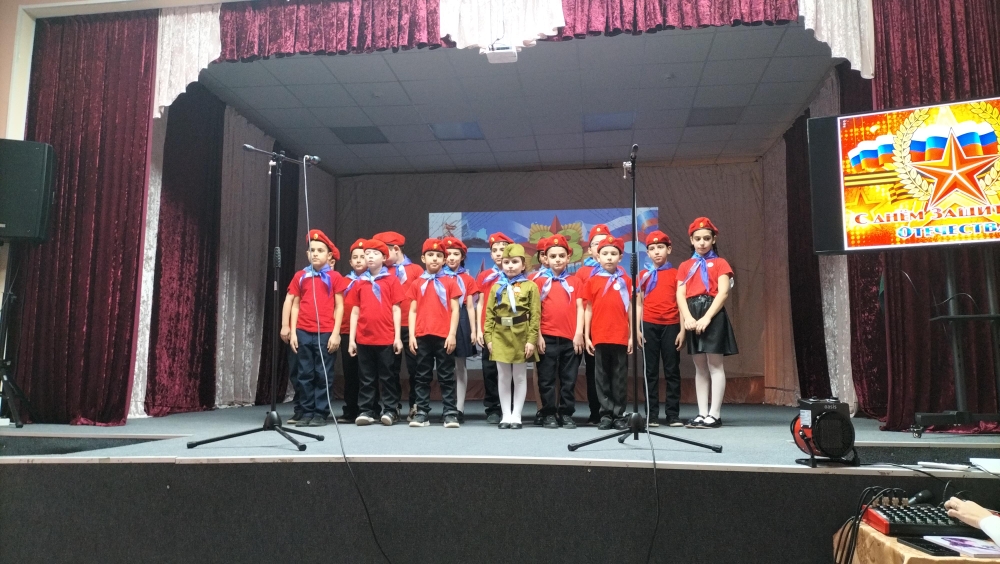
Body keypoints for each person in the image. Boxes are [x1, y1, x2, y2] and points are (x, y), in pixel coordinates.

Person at [676, 217, 738, 429]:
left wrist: (707, 317)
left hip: (712, 313)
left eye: (706, 238)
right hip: (693, 313)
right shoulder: (685, 266)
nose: (702, 242)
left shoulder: (721, 263)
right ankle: (702, 413)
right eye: (697, 239)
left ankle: (715, 414)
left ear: (713, 239)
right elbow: (680, 294)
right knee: (700, 366)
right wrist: (688, 318)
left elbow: (723, 293)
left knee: (715, 364)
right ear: (691, 240)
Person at [288, 230, 345, 427]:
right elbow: (295, 305)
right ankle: (306, 411)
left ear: (329, 256)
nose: (315, 254)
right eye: (312, 250)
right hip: (303, 331)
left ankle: (320, 412)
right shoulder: (300, 276)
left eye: (320, 250)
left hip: (326, 332)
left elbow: (340, 306)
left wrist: (336, 333)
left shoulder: (335, 277)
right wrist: (293, 331)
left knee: (323, 374)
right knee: (304, 374)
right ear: (307, 254)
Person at [347, 239, 404, 426]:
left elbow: (396, 309)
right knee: (366, 377)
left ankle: (390, 410)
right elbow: (355, 311)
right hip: (364, 338)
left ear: (384, 258)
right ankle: (367, 410)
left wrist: (397, 337)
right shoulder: (360, 282)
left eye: (375, 254)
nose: (370, 257)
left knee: (387, 376)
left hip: (386, 337)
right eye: (367, 254)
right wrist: (352, 340)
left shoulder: (391, 280)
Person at [483, 243, 540, 429]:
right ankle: (505, 414)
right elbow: (489, 314)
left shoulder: (530, 286)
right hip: (500, 334)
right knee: (503, 376)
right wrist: (488, 338)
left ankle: (517, 415)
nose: (510, 266)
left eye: (514, 262)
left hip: (521, 333)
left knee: (520, 376)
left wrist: (531, 340)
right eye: (506, 262)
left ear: (523, 265)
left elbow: (535, 315)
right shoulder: (496, 287)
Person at [407, 238, 463, 428]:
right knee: (422, 376)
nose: (434, 259)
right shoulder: (417, 283)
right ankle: (422, 412)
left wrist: (452, 334)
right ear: (423, 258)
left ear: (444, 260)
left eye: (439, 256)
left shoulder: (450, 282)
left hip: (444, 336)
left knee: (446, 375)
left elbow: (455, 310)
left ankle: (450, 412)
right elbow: (412, 311)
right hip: (422, 336)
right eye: (430, 255)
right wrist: (412, 335)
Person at [582, 234, 633, 431]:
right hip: (600, 335)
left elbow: (629, 308)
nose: (609, 257)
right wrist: (587, 335)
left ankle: (619, 414)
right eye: (605, 253)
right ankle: (605, 414)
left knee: (619, 376)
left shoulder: (626, 280)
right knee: (601, 376)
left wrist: (631, 334)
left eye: (613, 253)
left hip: (620, 334)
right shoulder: (592, 281)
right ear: (598, 257)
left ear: (620, 257)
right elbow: (588, 309)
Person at [534, 235, 584, 429]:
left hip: (570, 338)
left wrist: (578, 333)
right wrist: (538, 335)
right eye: (553, 256)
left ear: (568, 258)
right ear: (545, 258)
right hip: (546, 337)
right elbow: (534, 311)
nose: (557, 260)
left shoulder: (576, 281)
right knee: (546, 378)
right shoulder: (539, 282)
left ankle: (566, 413)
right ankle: (548, 413)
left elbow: (580, 308)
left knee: (568, 379)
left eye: (561, 256)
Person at [373, 231, 424, 422]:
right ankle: (392, 407)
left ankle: (416, 405)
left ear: (395, 249)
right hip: (388, 327)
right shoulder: (382, 272)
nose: (379, 255)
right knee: (389, 369)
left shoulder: (416, 270)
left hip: (412, 327)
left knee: (416, 368)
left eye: (382, 252)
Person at [636, 230, 684, 428]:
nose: (657, 252)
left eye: (660, 247)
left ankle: (673, 414)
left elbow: (681, 303)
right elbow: (638, 303)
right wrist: (637, 329)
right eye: (652, 248)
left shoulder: (676, 274)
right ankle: (652, 415)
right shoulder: (643, 275)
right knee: (650, 371)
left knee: (672, 370)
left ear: (669, 249)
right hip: (649, 324)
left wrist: (683, 330)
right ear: (647, 253)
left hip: (671, 325)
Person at [441, 236, 480, 423]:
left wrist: (473, 330)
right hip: (442, 316)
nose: (451, 258)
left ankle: (459, 408)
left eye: (456, 254)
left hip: (462, 318)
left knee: (460, 365)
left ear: (462, 257)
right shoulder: (438, 276)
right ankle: (447, 407)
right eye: (448, 254)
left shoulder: (468, 278)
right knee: (444, 365)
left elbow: (471, 306)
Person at [476, 232, 514, 425]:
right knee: (490, 370)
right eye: (495, 250)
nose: (499, 253)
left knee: (510, 369)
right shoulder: (485, 276)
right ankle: (492, 407)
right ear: (491, 254)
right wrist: (479, 329)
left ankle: (510, 407)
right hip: (490, 329)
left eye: (503, 249)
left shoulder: (517, 275)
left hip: (511, 330)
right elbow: (480, 303)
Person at [576, 224, 611, 426]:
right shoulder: (583, 272)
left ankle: (613, 410)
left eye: (604, 243)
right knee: (593, 371)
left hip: (611, 327)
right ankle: (595, 412)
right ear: (590, 249)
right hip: (591, 328)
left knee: (612, 370)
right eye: (596, 244)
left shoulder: (619, 271)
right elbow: (580, 304)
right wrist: (581, 331)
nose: (600, 247)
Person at [336, 238, 368, 423]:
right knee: (350, 372)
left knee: (367, 373)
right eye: (355, 257)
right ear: (350, 262)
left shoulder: (374, 280)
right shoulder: (344, 281)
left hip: (368, 332)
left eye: (362, 257)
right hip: (347, 331)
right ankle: (350, 409)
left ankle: (368, 409)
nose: (358, 260)